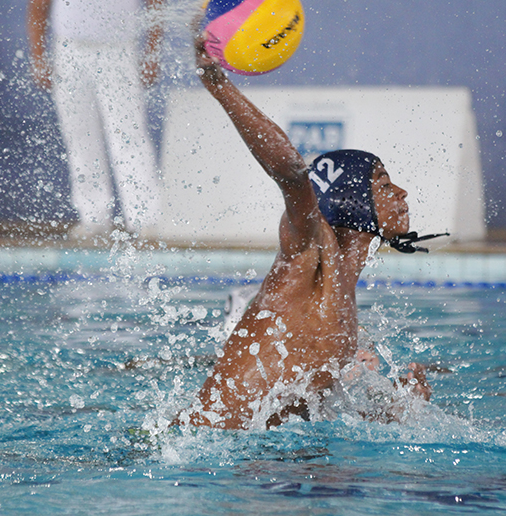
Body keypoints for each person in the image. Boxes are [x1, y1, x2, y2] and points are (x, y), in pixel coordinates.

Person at [173, 36, 439, 430]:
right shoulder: (308, 252)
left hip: (247, 461)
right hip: (196, 457)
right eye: (384, 185)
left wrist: (400, 409)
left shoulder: (345, 297)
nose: (401, 194)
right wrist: (218, 84)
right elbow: (291, 173)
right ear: (352, 200)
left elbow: (314, 410)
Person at [26, 0, 166, 242]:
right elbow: (38, 4)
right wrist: (38, 57)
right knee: (80, 137)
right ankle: (93, 218)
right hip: (69, 51)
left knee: (129, 135)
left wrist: (152, 54)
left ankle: (145, 218)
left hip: (120, 49)